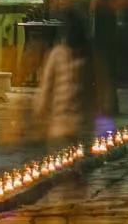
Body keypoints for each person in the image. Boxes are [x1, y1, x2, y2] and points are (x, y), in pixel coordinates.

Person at [33, 11, 95, 148]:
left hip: (60, 125)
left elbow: (46, 86)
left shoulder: (57, 54)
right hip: (81, 125)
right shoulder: (89, 55)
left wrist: (40, 110)